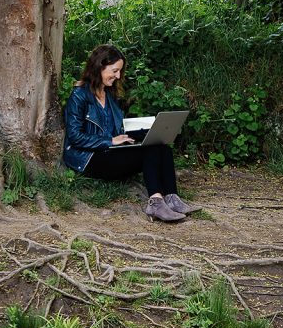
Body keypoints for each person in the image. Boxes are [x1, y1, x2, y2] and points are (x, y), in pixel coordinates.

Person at [62, 44, 200, 222]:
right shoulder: (79, 96)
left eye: (119, 71)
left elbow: (115, 128)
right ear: (99, 66)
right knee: (148, 150)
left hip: (110, 151)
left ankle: (172, 198)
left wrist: (137, 133)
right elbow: (75, 137)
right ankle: (156, 203)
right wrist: (111, 141)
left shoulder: (110, 95)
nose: (118, 76)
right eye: (115, 70)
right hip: (88, 158)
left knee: (160, 144)